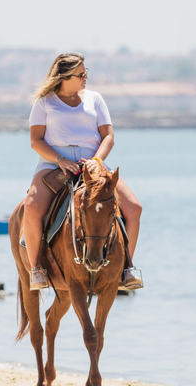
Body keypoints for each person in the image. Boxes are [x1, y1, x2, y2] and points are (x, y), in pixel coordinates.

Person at [24, 53, 143, 290]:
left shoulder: (95, 99)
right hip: (54, 164)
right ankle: (36, 268)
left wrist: (97, 160)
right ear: (65, 77)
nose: (86, 77)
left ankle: (126, 267)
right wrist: (59, 159)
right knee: (31, 206)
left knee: (134, 207)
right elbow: (36, 141)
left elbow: (108, 136)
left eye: (86, 72)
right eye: (81, 74)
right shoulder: (44, 102)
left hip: (94, 165)